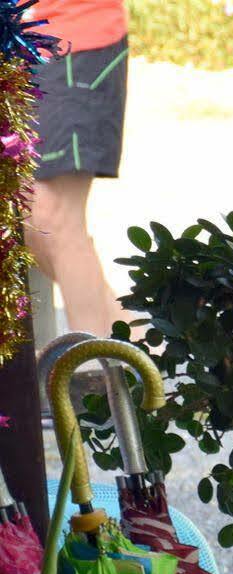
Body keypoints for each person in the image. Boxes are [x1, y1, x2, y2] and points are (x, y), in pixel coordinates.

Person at [27, 0, 131, 335]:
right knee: (31, 216)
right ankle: (127, 341)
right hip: (22, 39)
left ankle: (92, 369)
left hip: (74, 37)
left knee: (52, 216)